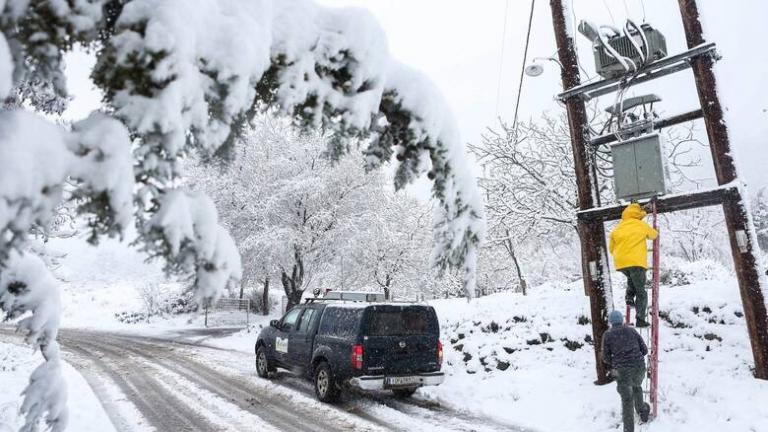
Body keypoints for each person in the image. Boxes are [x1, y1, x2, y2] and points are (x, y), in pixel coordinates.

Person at [609, 203, 658, 327]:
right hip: (636, 262)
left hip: (621, 263)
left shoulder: (618, 228)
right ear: (638, 215)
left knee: (631, 278)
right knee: (641, 292)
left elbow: (611, 248)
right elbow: (653, 235)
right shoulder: (640, 225)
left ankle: (629, 298)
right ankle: (640, 319)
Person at [603, 310, 650, 432]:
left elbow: (606, 358)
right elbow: (644, 350)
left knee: (627, 400)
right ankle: (642, 409)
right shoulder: (631, 330)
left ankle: (628, 430)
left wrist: (617, 361)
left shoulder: (607, 335)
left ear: (611, 322)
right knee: (636, 386)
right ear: (622, 320)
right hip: (639, 367)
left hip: (623, 370)